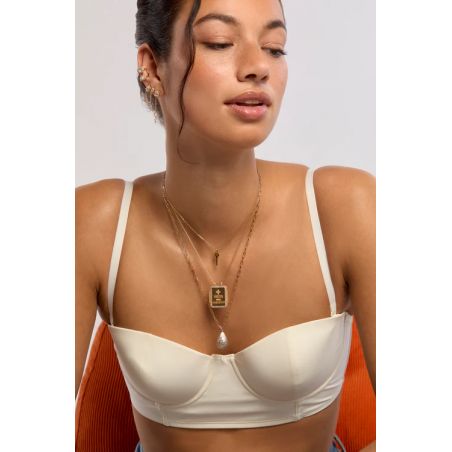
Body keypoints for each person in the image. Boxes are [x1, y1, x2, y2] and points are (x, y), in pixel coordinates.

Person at [75, 0, 376, 451]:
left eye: (274, 47)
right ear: (152, 67)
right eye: (219, 42)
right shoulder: (96, 223)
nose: (258, 66)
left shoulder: (344, 207)